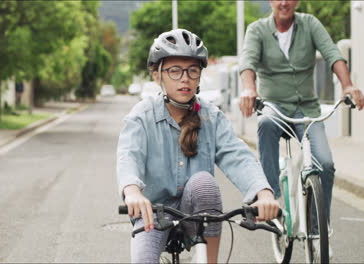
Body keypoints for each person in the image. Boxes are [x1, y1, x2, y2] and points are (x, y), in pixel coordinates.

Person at [116, 29, 279, 264]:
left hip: (199, 213)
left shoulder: (211, 117)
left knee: (204, 184)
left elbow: (238, 156)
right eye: (175, 71)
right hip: (153, 212)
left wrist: (263, 194)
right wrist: (132, 192)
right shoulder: (142, 115)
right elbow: (128, 155)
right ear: (157, 74)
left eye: (192, 70)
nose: (185, 78)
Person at [239, 0, 364, 258]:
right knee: (265, 123)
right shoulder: (257, 30)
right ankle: (269, 198)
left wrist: (348, 85)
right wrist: (249, 89)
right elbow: (247, 63)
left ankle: (318, 232)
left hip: (307, 109)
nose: (284, 2)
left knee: (325, 164)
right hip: (274, 106)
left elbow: (333, 54)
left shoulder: (310, 24)